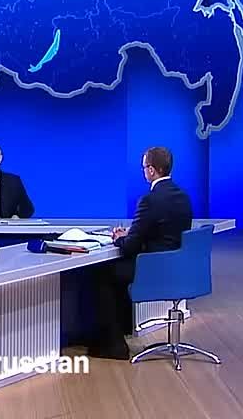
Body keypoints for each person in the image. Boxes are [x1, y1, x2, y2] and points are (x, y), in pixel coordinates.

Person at [87, 146, 193, 359]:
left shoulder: (150, 199)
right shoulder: (183, 196)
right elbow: (164, 231)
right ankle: (124, 331)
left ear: (152, 170)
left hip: (153, 269)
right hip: (178, 267)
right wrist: (133, 233)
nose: (144, 171)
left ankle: (113, 345)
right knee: (117, 274)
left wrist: (120, 238)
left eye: (144, 167)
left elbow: (130, 247)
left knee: (101, 274)